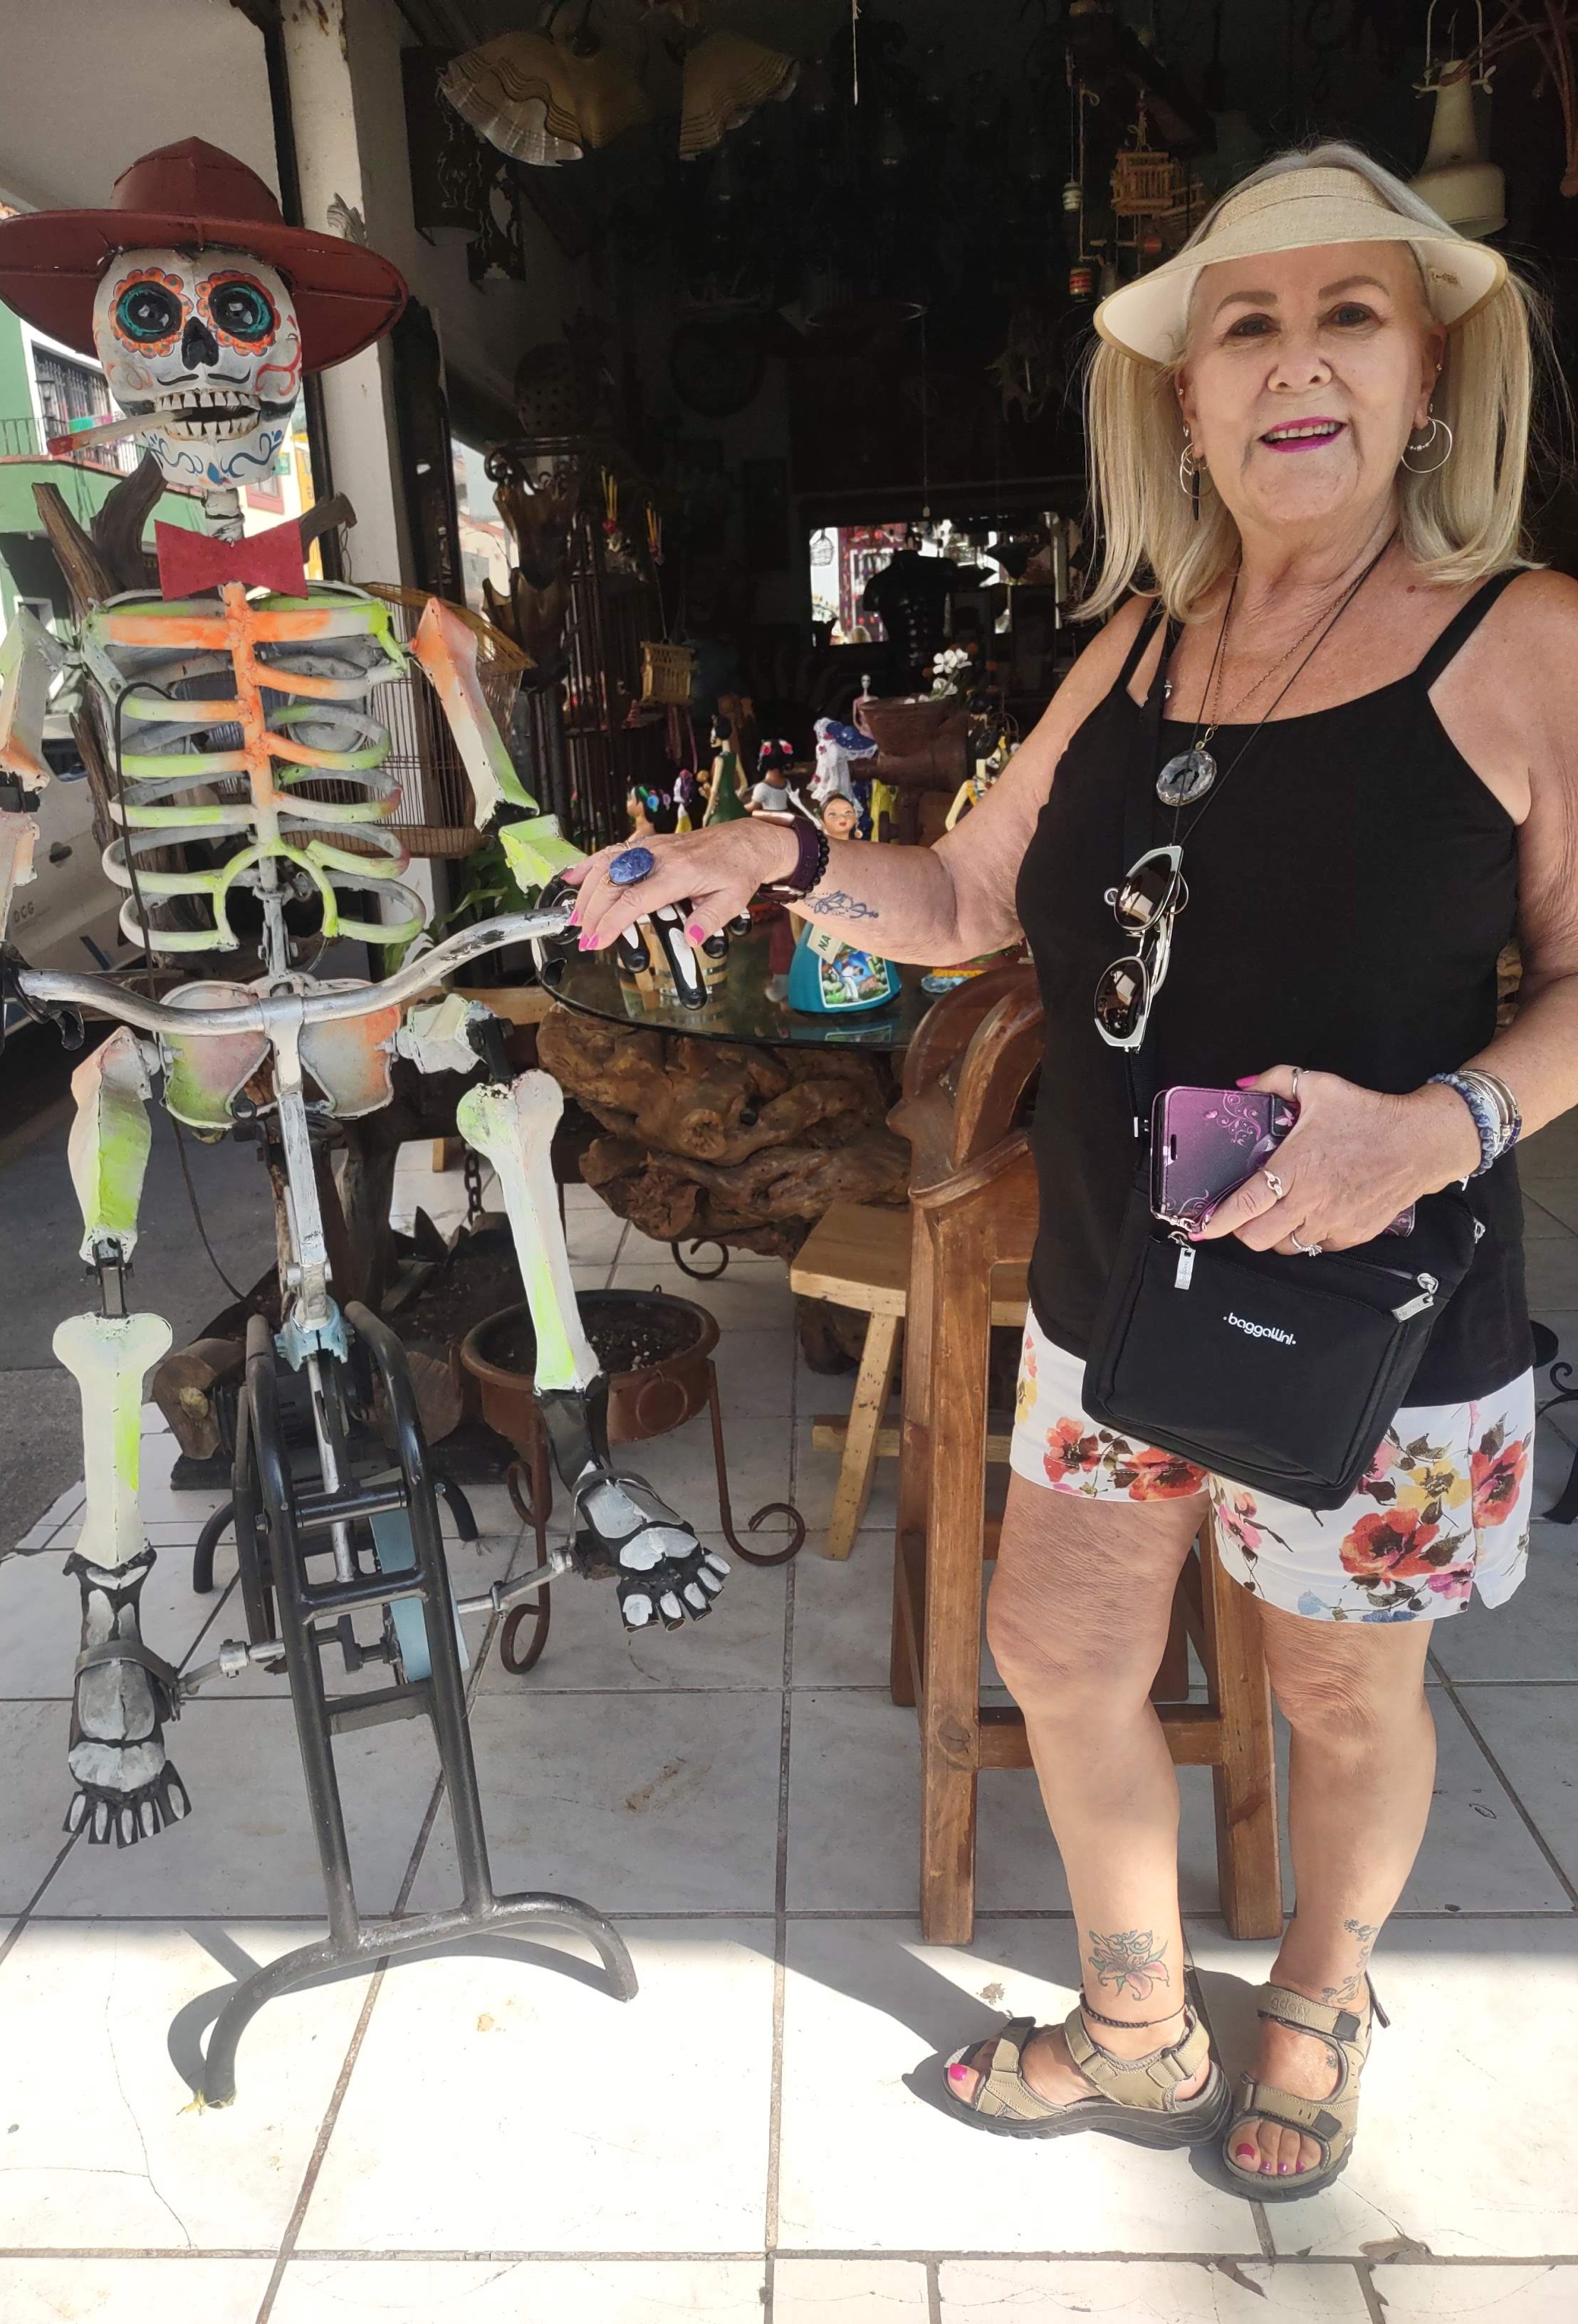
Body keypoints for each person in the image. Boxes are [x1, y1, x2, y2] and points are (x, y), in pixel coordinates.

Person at [565, 144, 1578, 2198]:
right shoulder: (1137, 644)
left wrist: (1436, 1126)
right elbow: (961, 897)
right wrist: (770, 852)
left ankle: (1316, 2008)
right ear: (1187, 400)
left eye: (1352, 316)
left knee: (1342, 1700)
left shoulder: (1528, 640)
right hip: (1121, 1290)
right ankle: (1137, 2028)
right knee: (1058, 1651)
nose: (1298, 362)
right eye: (1248, 326)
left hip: (1371, 1318)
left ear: (1430, 374)